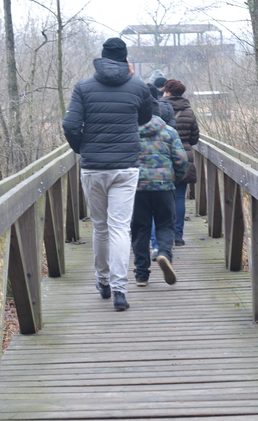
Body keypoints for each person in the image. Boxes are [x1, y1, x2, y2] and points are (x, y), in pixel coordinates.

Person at [62, 38, 153, 311]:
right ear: (127, 60)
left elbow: (70, 124)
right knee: (120, 228)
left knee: (100, 227)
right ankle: (120, 290)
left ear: (101, 58)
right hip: (125, 167)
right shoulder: (138, 86)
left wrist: (83, 148)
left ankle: (102, 281)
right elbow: (145, 118)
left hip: (93, 168)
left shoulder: (83, 87)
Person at [131, 113, 187, 287]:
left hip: (137, 187)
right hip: (164, 186)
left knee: (140, 229)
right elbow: (181, 160)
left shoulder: (128, 131)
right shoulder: (169, 131)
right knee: (165, 224)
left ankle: (141, 275)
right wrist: (174, 179)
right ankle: (164, 253)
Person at [163, 79, 199, 246]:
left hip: (162, 155)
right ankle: (178, 236)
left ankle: (163, 235)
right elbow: (194, 139)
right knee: (179, 197)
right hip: (184, 156)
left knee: (162, 198)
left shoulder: (159, 108)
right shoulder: (189, 111)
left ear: (168, 93)